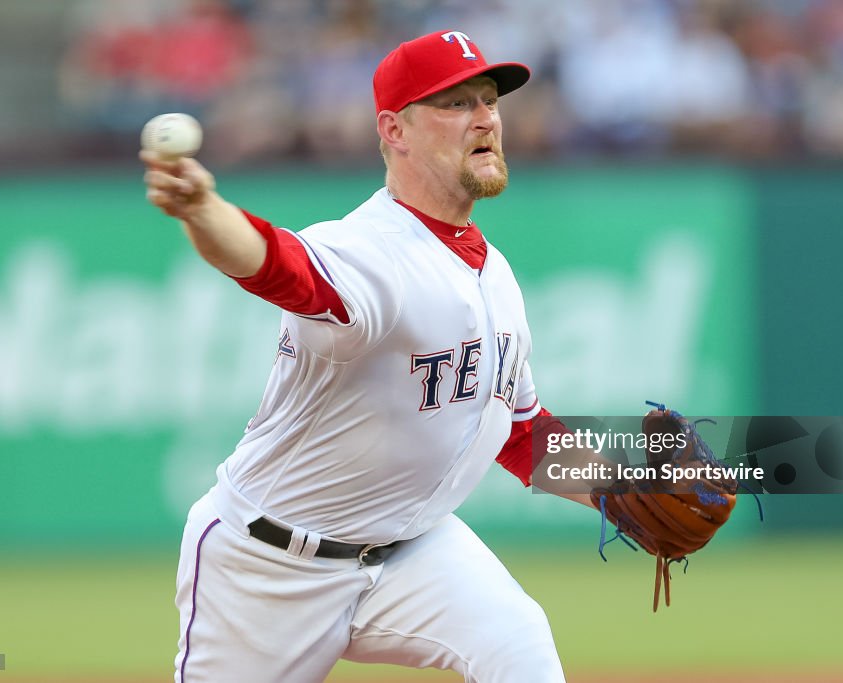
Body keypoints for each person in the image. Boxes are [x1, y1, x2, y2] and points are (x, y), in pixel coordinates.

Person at [142, 30, 597, 683]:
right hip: (269, 568)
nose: (484, 118)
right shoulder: (371, 253)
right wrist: (203, 209)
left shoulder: (492, 273)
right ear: (395, 129)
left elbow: (522, 431)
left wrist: (630, 488)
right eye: (455, 102)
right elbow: (280, 267)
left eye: (489, 99)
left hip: (412, 553)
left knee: (519, 647)